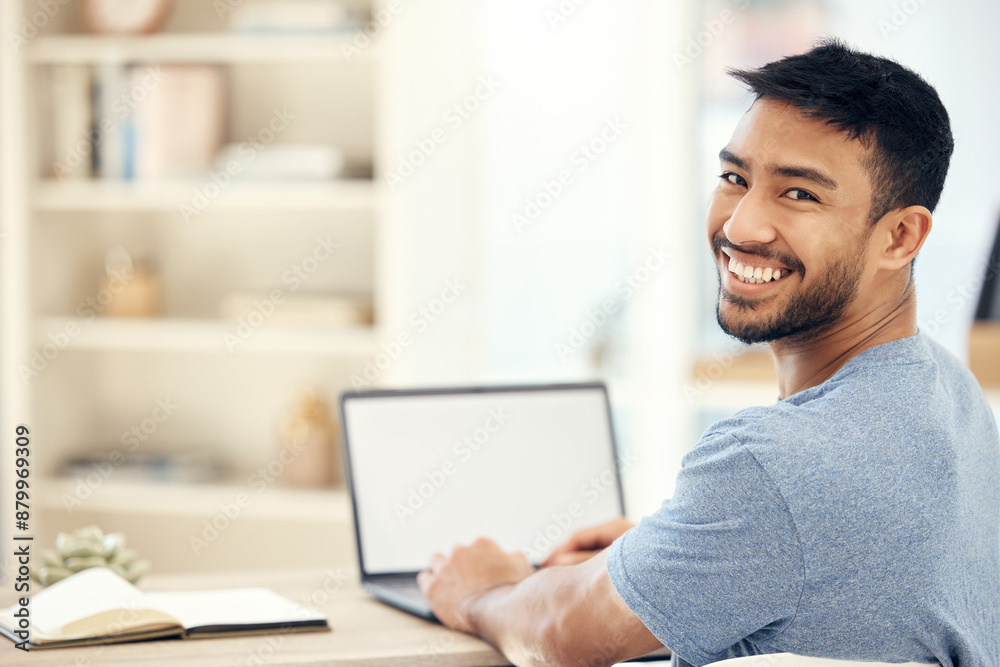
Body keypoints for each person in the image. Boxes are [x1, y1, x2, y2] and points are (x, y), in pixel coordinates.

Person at [417, 39, 1000, 667]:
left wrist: (483, 589)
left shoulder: (774, 466)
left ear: (900, 236)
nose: (742, 226)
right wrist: (675, 556)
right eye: (734, 178)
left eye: (799, 194)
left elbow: (562, 633)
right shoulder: (950, 393)